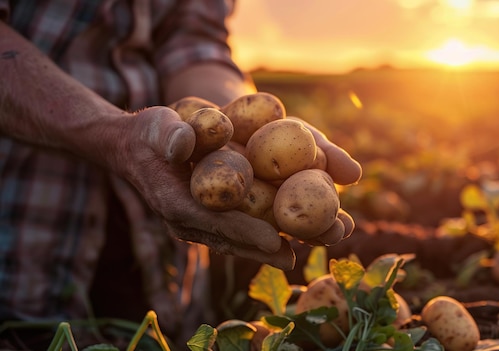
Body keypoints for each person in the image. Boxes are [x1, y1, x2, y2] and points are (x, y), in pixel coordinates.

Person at [0, 0, 362, 348]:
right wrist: (113, 134)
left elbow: (195, 44)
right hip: (21, 247)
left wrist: (230, 118)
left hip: (158, 268)